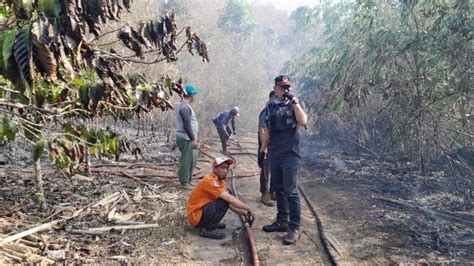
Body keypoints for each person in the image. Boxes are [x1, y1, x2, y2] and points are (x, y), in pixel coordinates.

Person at [260, 75, 308, 245]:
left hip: (290, 155)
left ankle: (294, 227)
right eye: (282, 87)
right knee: (278, 189)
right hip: (275, 153)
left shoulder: (294, 104)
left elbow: (303, 121)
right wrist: (262, 149)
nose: (285, 90)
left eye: (287, 87)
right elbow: (267, 130)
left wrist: (294, 102)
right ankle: (282, 221)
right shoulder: (270, 105)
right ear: (275, 88)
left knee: (291, 191)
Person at [187, 156, 256, 239]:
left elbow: (229, 204)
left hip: (202, 212)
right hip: (196, 217)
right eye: (222, 168)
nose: (225, 171)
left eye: (227, 168)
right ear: (215, 169)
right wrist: (249, 209)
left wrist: (243, 213)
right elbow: (229, 200)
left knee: (227, 195)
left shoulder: (219, 180)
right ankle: (208, 229)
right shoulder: (210, 181)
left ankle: (210, 224)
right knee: (224, 200)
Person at [176, 85, 199, 190]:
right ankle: (184, 182)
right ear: (191, 95)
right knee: (187, 160)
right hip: (186, 138)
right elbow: (187, 124)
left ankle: (188, 180)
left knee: (191, 160)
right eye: (194, 95)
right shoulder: (185, 107)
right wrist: (193, 139)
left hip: (187, 137)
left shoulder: (183, 105)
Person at [258, 91, 276, 206]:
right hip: (267, 146)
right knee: (266, 170)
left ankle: (272, 192)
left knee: (275, 170)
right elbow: (262, 130)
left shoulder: (276, 111)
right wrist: (264, 147)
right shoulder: (266, 112)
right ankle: (264, 194)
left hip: (275, 147)